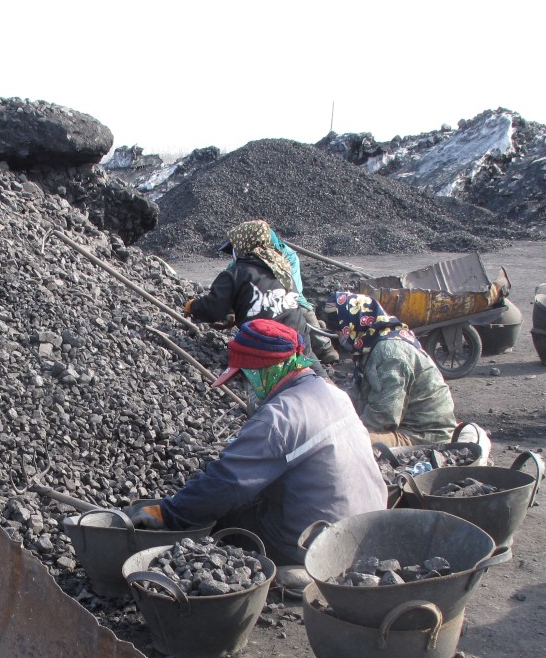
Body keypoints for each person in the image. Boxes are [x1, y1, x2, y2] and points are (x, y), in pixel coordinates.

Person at [124, 319, 387, 575]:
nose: (246, 387)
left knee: (223, 520)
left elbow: (227, 482)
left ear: (263, 370)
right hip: (368, 527)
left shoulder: (278, 417)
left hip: (317, 543)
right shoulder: (334, 393)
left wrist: (168, 513)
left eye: (246, 378)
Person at [184, 219, 338, 364]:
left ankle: (325, 350)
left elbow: (214, 307)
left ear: (244, 245)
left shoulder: (237, 273)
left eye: (235, 248)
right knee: (312, 371)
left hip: (267, 350)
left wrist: (194, 307)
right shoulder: (281, 268)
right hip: (298, 346)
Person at [330, 291, 458, 447]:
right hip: (408, 425)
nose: (339, 335)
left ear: (352, 324)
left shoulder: (389, 353)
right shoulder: (372, 344)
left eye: (340, 329)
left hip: (423, 435)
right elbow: (361, 397)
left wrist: (347, 430)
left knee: (348, 442)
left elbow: (384, 416)